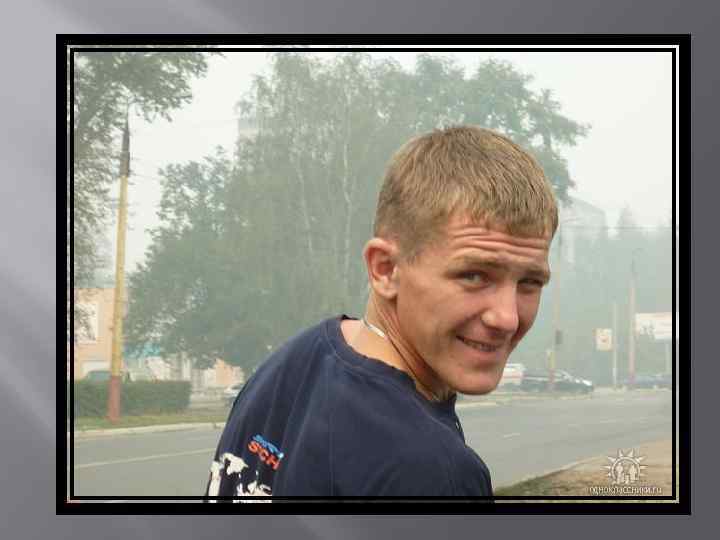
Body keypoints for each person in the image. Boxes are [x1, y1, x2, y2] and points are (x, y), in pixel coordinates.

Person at [204, 125, 557, 500]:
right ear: (385, 269)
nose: (507, 318)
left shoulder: (287, 367)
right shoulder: (433, 472)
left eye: (529, 282)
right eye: (474, 276)